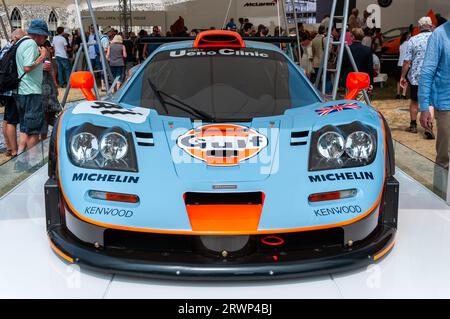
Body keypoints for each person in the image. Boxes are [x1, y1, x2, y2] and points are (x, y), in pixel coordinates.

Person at [419, 21, 450, 193]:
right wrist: (425, 106)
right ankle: (440, 195)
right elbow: (427, 71)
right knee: (445, 156)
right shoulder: (439, 35)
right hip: (446, 105)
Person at [15, 19, 50, 156]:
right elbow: (28, 67)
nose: (45, 39)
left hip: (22, 90)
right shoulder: (30, 44)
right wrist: (42, 56)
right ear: (38, 35)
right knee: (34, 130)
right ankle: (33, 162)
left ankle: (21, 159)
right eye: (45, 36)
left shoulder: (21, 42)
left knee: (25, 128)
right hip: (31, 91)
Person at [401, 17, 434, 136]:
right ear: (431, 26)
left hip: (416, 76)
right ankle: (429, 127)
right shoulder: (436, 38)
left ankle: (413, 125)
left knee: (414, 101)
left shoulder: (413, 40)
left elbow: (407, 61)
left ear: (419, 27)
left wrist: (403, 76)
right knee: (430, 102)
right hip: (432, 75)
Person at [0, 29, 26, 158]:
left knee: (6, 119)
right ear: (16, 37)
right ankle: (15, 151)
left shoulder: (5, 48)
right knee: (12, 120)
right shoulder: (15, 49)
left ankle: (9, 147)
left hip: (4, 87)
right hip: (13, 89)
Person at [41, 40, 61, 140]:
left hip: (45, 86)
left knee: (47, 115)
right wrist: (54, 82)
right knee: (50, 114)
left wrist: (54, 82)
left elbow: (50, 69)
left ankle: (45, 138)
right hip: (46, 86)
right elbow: (51, 69)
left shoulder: (42, 51)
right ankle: (57, 135)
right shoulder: (44, 51)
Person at [395, 32, 410, 99]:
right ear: (407, 37)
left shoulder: (401, 44)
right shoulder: (409, 44)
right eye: (409, 36)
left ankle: (398, 94)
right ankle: (403, 94)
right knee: (405, 80)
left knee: (398, 80)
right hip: (407, 64)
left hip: (399, 64)